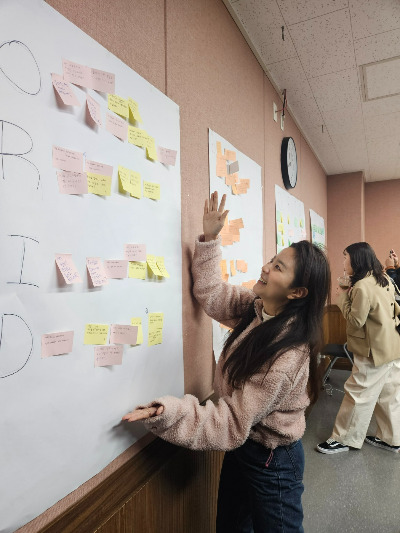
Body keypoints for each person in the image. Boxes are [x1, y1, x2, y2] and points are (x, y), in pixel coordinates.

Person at [123, 191, 331, 532]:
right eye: (272, 259)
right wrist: (209, 239)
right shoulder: (257, 309)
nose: (266, 267)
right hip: (245, 444)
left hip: (273, 458)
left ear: (297, 292)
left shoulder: (287, 354)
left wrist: (169, 411)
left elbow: (231, 422)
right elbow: (211, 293)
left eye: (278, 267)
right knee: (232, 527)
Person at [317, 242, 400, 455]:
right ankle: (391, 439)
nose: (344, 263)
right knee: (390, 396)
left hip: (373, 351)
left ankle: (344, 439)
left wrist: (343, 296)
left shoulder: (362, 286)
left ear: (357, 260)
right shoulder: (385, 279)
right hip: (393, 346)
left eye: (345, 258)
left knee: (358, 394)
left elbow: (356, 321)